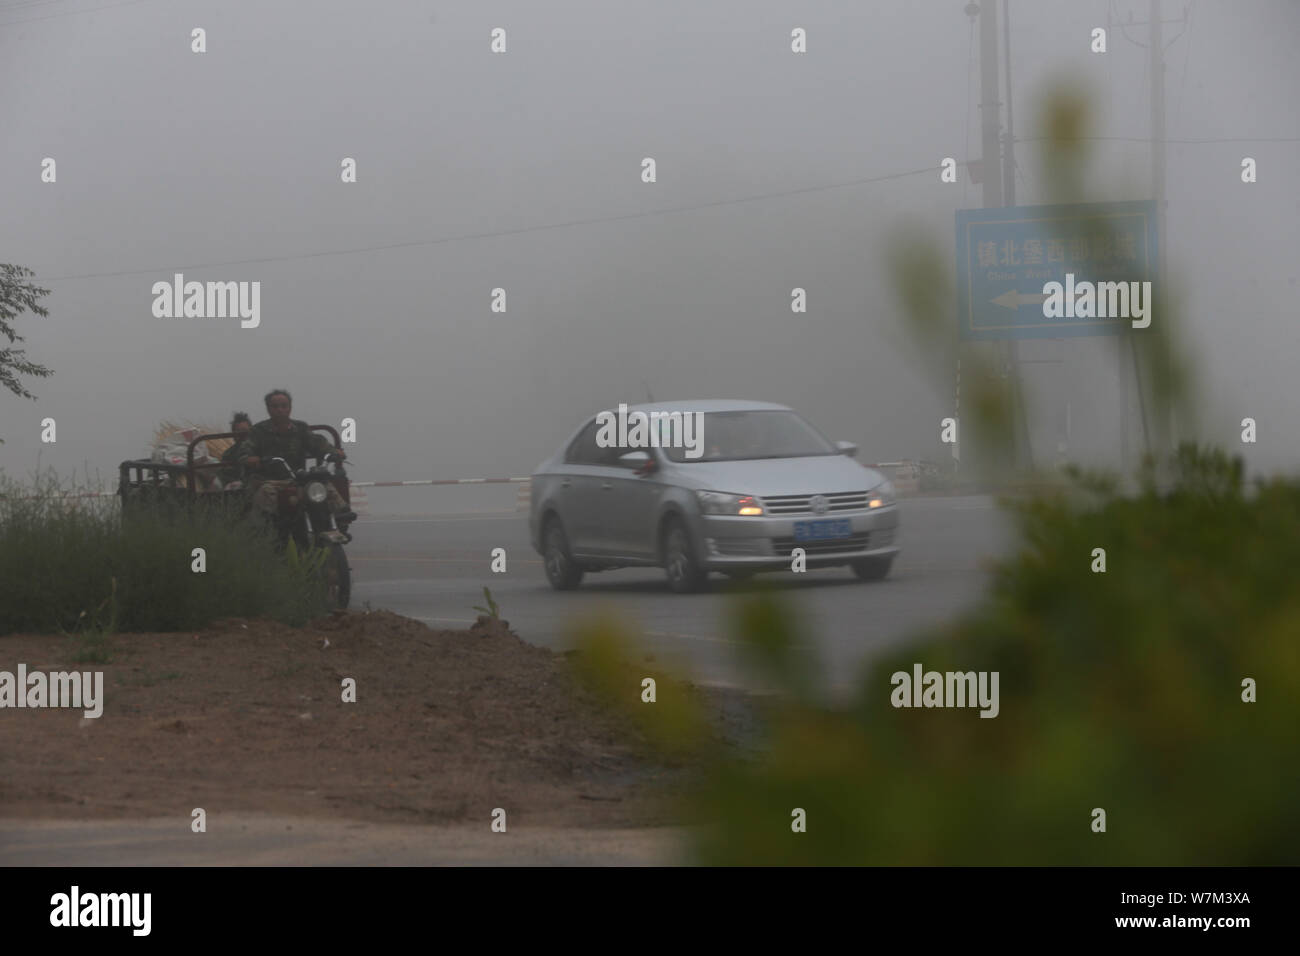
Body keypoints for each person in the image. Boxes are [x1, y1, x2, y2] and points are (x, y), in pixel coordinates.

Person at [237, 389, 356, 526]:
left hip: (298, 479)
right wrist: (250, 459)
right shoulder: (258, 431)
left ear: (290, 407)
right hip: (269, 480)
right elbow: (244, 451)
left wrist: (333, 452)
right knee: (265, 492)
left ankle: (340, 515)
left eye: (284, 406)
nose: (280, 410)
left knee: (321, 483)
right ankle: (264, 529)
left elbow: (317, 443)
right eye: (275, 407)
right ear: (268, 409)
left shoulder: (300, 428)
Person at [219, 412, 253, 487]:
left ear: (251, 430)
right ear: (233, 433)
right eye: (238, 431)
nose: (242, 434)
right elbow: (224, 475)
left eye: (244, 430)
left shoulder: (259, 448)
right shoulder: (228, 454)